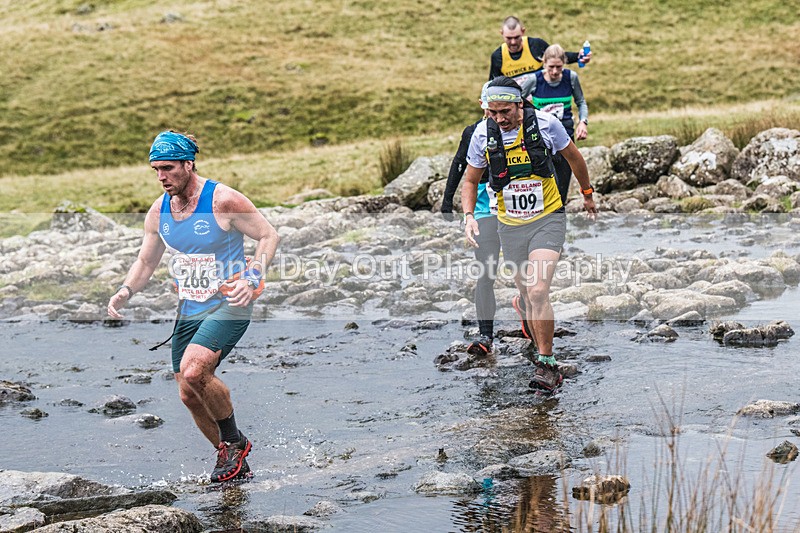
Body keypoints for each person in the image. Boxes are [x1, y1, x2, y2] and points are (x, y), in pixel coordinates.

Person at [107, 131, 280, 482]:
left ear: (189, 163)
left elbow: (268, 235)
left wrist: (252, 277)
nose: (161, 177)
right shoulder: (159, 212)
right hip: (190, 307)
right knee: (188, 394)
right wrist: (126, 290)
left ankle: (234, 442)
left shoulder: (223, 200)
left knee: (194, 371)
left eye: (168, 168)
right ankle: (233, 463)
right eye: (155, 169)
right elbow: (145, 260)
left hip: (231, 301)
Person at [460, 77, 597, 394]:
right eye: (492, 112)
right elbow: (470, 181)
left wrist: (587, 194)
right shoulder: (483, 135)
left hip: (548, 218)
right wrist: (469, 216)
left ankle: (548, 365)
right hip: (510, 225)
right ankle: (530, 321)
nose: (499, 118)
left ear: (520, 104)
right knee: (527, 295)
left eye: (505, 111)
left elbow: (575, 159)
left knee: (537, 292)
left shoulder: (547, 125)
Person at [441, 82, 499, 356]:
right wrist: (446, 200)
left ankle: (530, 323)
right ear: (482, 105)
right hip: (483, 210)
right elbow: (459, 164)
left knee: (524, 272)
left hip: (514, 210)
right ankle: (486, 336)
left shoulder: (520, 131)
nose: (495, 113)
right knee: (486, 273)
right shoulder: (472, 132)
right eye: (490, 107)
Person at [521, 44, 589, 205]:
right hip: (540, 139)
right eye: (551, 67)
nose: (555, 72)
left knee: (562, 184)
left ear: (564, 63)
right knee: (543, 181)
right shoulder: (534, 80)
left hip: (565, 137)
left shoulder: (571, 77)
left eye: (559, 67)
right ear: (544, 63)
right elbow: (517, 101)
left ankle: (559, 218)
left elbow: (581, 101)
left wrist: (583, 122)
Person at [488, 16, 592, 89]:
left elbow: (557, 57)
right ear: (501, 33)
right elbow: (493, 85)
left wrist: (579, 56)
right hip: (518, 105)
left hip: (541, 101)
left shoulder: (536, 45)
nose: (513, 42)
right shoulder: (498, 56)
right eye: (509, 38)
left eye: (516, 37)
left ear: (523, 31)